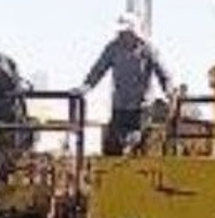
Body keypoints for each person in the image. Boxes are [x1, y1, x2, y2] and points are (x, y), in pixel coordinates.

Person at [75, 12, 175, 156]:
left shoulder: (147, 49)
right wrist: (85, 87)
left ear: (134, 32)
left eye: (126, 32)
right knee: (112, 146)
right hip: (119, 107)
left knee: (135, 140)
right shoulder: (113, 48)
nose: (123, 36)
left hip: (141, 108)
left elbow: (163, 73)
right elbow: (98, 70)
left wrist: (169, 90)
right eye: (121, 32)